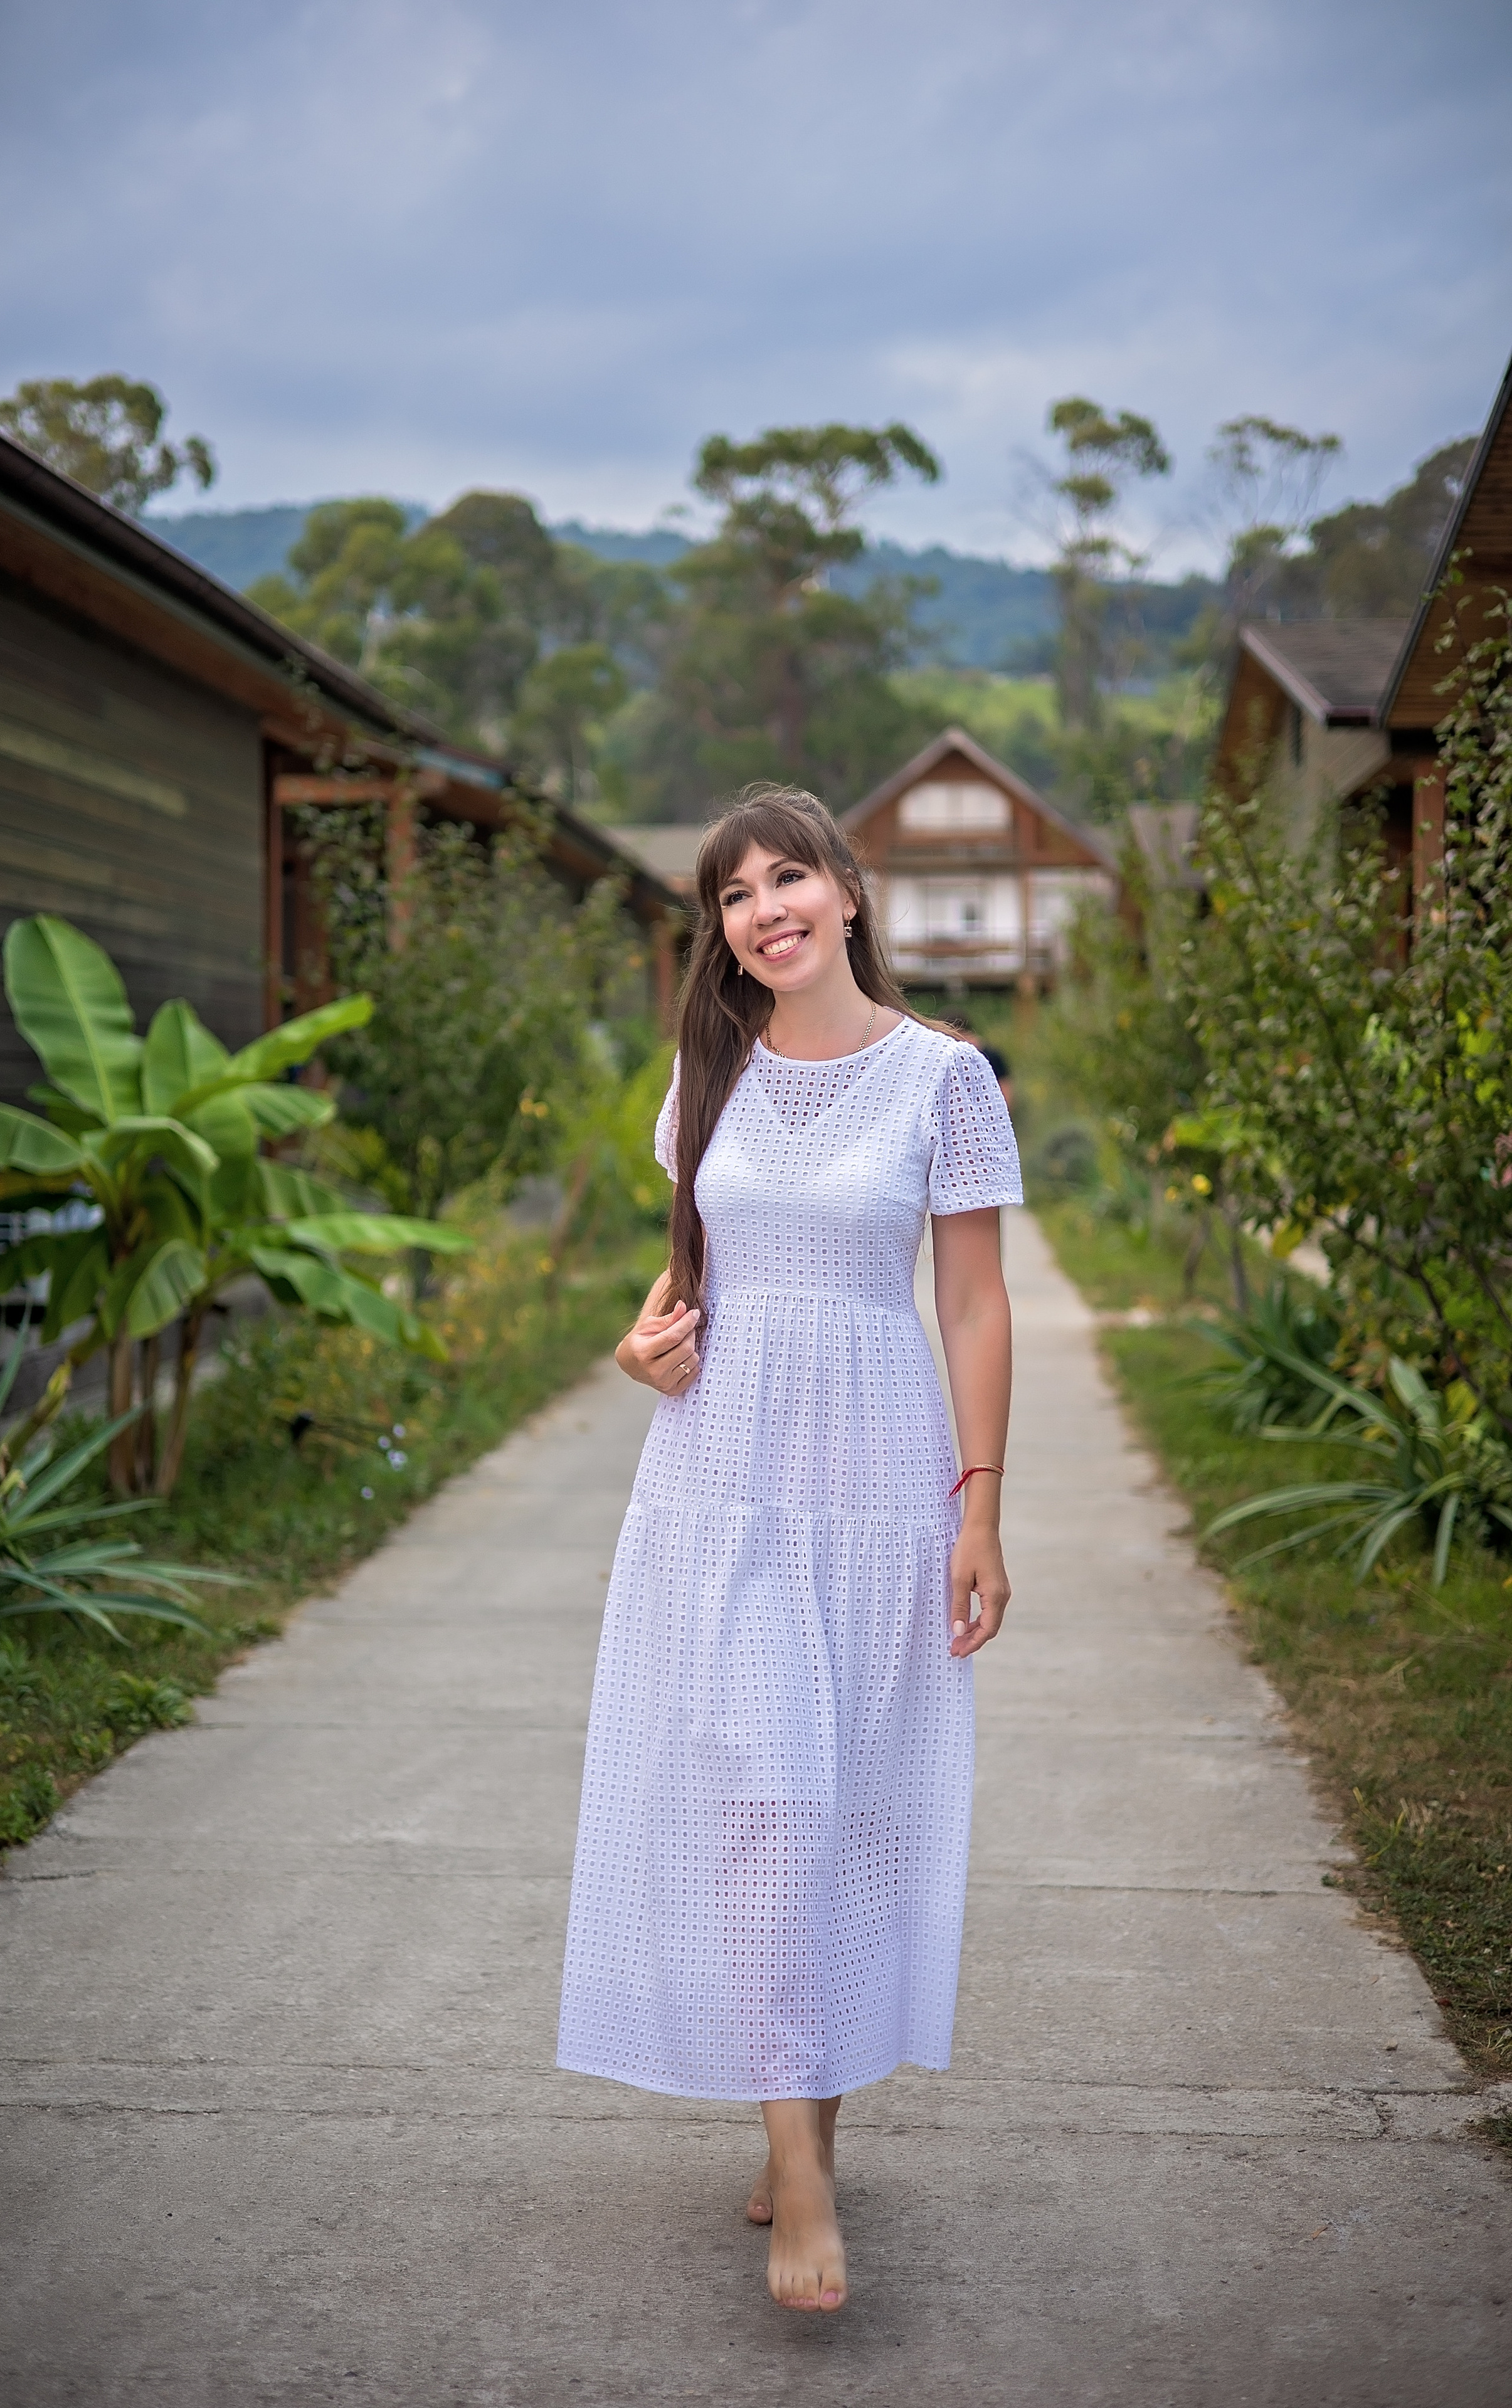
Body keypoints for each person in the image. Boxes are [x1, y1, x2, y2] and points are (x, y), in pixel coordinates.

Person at [556, 785, 1021, 2313]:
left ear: (848, 888)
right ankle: (803, 2173)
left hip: (878, 1487)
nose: (767, 908)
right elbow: (690, 1275)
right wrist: (642, 1347)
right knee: (759, 1804)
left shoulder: (942, 1080)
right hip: (723, 1490)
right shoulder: (707, 1080)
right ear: (724, 934)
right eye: (736, 894)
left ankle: (796, 2101)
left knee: (843, 1811)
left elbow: (968, 1306)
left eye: (789, 876)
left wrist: (979, 1509)